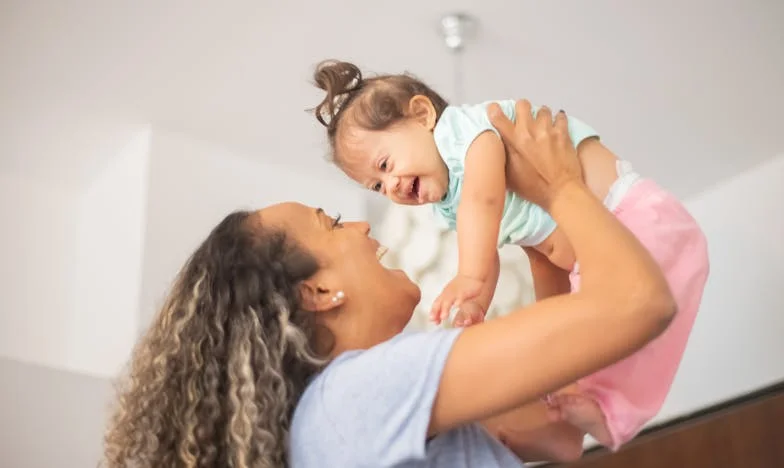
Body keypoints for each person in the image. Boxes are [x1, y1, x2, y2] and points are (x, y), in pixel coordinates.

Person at [102, 102, 675, 467]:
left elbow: (559, 432)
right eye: (332, 223)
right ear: (319, 293)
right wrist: (562, 189)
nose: (359, 222)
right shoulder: (354, 395)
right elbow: (641, 301)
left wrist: (541, 246)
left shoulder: (345, 421)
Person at [310, 60, 710, 451]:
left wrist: (469, 275)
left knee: (646, 315)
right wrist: (476, 300)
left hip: (633, 214)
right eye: (377, 187)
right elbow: (496, 246)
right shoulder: (447, 200)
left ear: (422, 114)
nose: (391, 186)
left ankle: (609, 411)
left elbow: (484, 203)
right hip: (594, 254)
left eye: (385, 164)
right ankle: (602, 410)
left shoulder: (468, 134)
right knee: (606, 338)